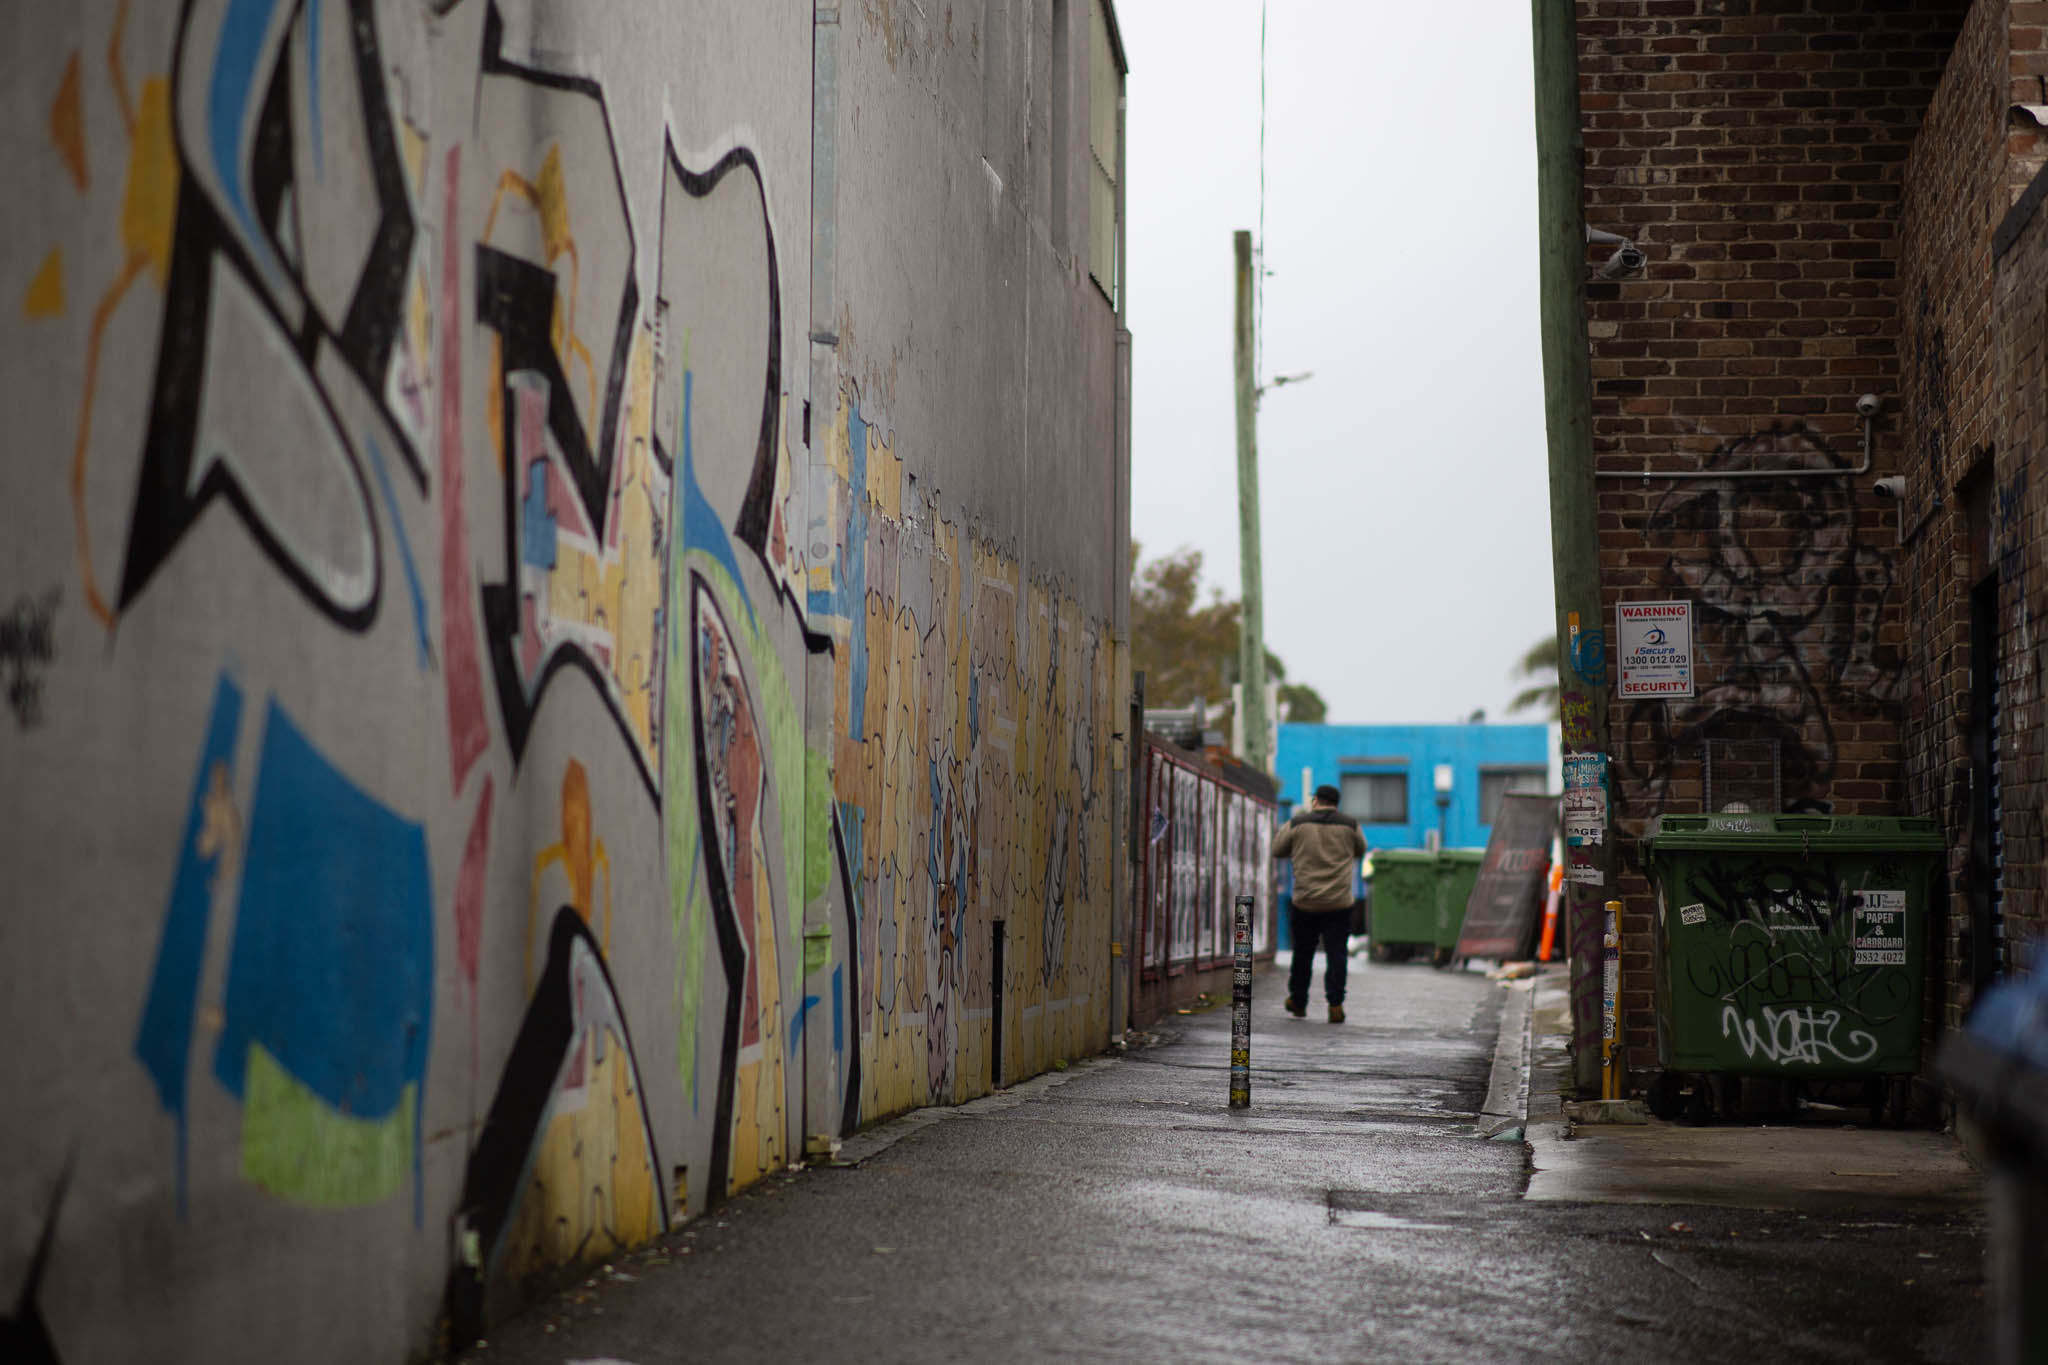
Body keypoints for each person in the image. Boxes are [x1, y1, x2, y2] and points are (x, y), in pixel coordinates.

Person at [1271, 784, 1367, 1022]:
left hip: (1306, 901)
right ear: (1337, 803)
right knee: (1337, 953)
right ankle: (1335, 1004)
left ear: (1315, 800)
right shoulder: (1350, 825)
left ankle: (1298, 1002)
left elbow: (1277, 849)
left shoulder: (1297, 823)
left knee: (1303, 954)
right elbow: (1360, 850)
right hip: (1339, 903)